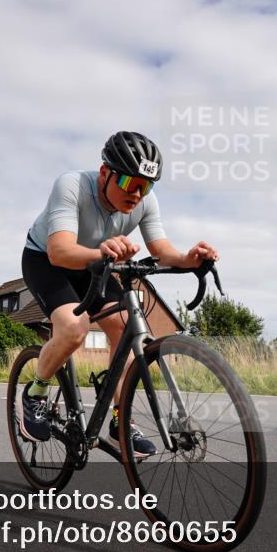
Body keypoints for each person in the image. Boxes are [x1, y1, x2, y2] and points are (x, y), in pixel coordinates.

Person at [19, 131, 219, 457]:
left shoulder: (145, 202)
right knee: (74, 328)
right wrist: (101, 252)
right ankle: (35, 392)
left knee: (127, 326)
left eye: (146, 186)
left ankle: (119, 419)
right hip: (47, 260)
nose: (137, 194)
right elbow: (60, 251)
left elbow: (161, 249)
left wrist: (188, 259)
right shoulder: (72, 185)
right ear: (105, 173)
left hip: (97, 263)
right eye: (129, 183)